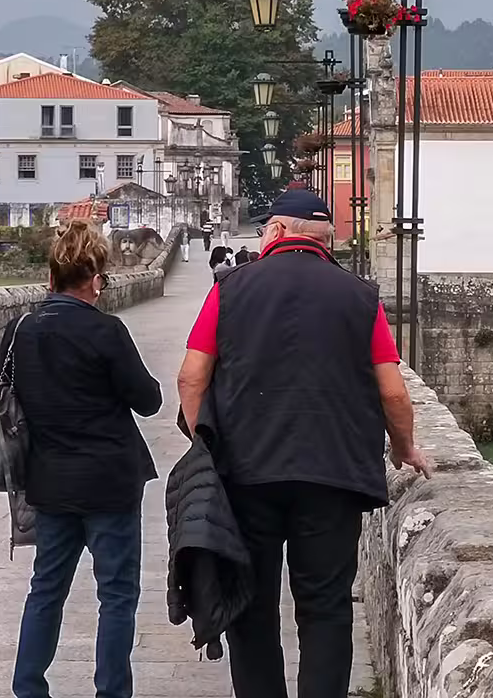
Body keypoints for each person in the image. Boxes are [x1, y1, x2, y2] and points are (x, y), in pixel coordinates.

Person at [175, 187, 433, 698]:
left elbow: (191, 377)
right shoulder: (359, 296)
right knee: (326, 606)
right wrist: (404, 447)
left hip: (246, 474)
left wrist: (205, 445)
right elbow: (393, 391)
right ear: (325, 239)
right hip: (333, 476)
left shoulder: (229, 289)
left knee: (252, 603)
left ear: (275, 232)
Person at [6, 220, 163, 698]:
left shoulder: (21, 331)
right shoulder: (106, 331)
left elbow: (12, 397)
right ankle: (111, 691)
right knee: (116, 594)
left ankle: (29, 687)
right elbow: (148, 400)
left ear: (50, 277)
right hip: (109, 482)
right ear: (95, 280)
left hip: (50, 480)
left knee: (46, 588)